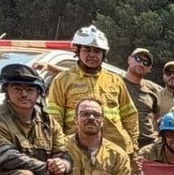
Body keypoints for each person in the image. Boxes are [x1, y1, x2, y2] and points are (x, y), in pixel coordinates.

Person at [48, 25, 139, 155]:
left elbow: (129, 115)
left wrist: (133, 146)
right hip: (76, 151)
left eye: (97, 51)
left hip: (116, 151)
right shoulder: (62, 80)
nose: (92, 55)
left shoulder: (115, 80)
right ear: (78, 51)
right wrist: (60, 149)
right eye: (87, 50)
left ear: (103, 55)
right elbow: (54, 118)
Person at [123, 48, 160, 148]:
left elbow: (157, 116)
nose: (141, 64)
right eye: (138, 59)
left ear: (149, 68)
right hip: (123, 141)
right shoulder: (116, 83)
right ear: (129, 59)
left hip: (148, 143)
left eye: (146, 62)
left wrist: (156, 133)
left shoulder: (153, 89)